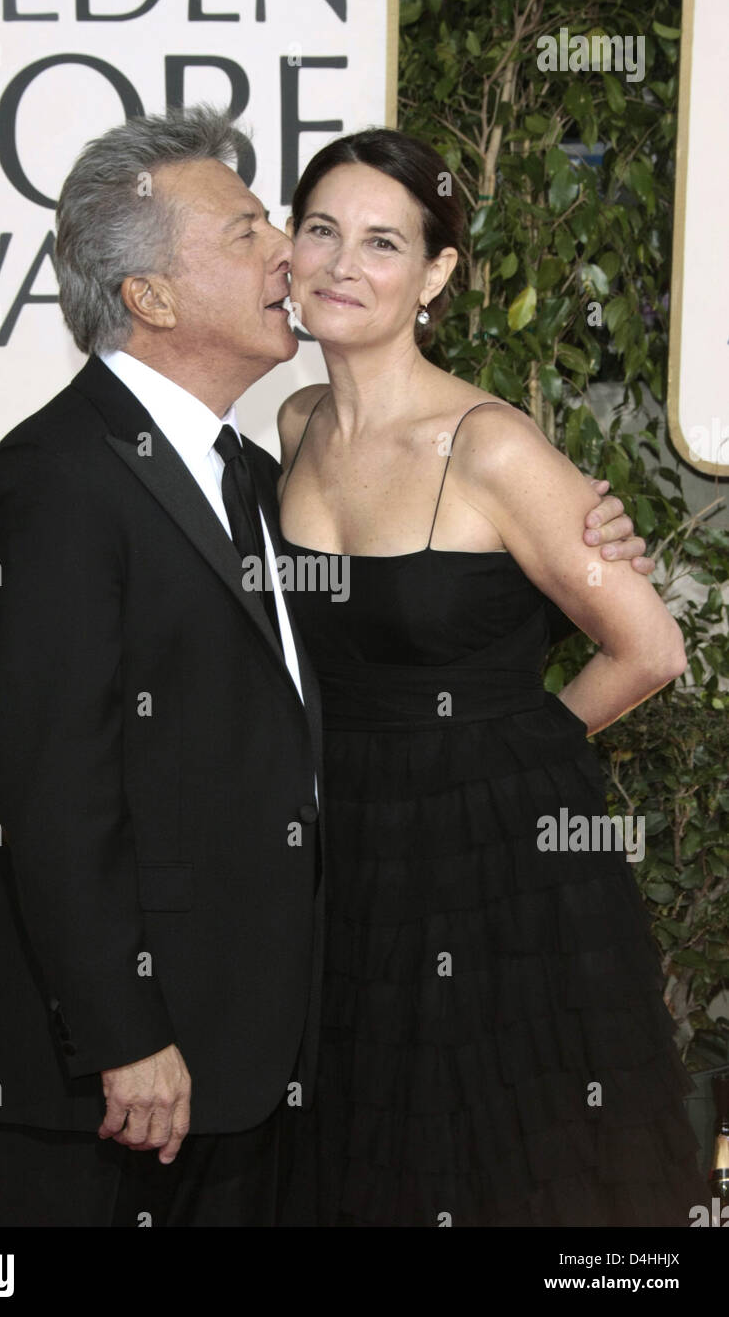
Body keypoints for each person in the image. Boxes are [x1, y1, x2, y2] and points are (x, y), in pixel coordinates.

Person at [0, 105, 651, 1228]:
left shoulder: (234, 461)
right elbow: (50, 792)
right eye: (257, 232)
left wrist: (500, 764)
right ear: (153, 298)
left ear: (435, 271)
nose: (288, 253)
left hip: (279, 1007)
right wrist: (127, 1038)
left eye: (352, 236)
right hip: (124, 1065)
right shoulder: (66, 480)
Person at [273, 127, 706, 1227]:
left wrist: (501, 756)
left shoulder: (490, 445)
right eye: (319, 229)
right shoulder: (292, 424)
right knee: (367, 1142)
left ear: (435, 275)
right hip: (346, 850)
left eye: (381, 242)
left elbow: (650, 648)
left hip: (494, 857)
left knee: (508, 1151)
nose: (339, 264)